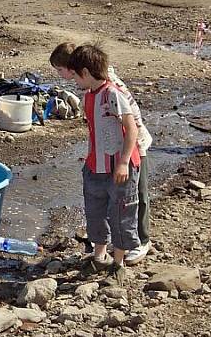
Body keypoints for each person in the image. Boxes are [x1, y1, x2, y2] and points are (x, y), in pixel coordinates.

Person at [50, 42, 152, 265]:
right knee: (101, 204)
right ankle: (103, 250)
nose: (68, 78)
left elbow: (131, 124)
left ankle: (134, 246)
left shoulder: (110, 90)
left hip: (129, 149)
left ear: (81, 71)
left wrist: (125, 160)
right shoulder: (91, 91)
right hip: (103, 156)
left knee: (130, 200)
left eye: (63, 71)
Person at [66, 44, 141, 286]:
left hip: (119, 167)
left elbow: (132, 130)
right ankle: (100, 256)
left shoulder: (113, 94)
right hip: (95, 165)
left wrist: (122, 163)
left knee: (120, 212)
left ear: (85, 73)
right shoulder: (89, 96)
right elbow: (95, 131)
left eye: (75, 75)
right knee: (95, 211)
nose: (74, 80)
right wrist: (89, 158)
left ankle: (118, 264)